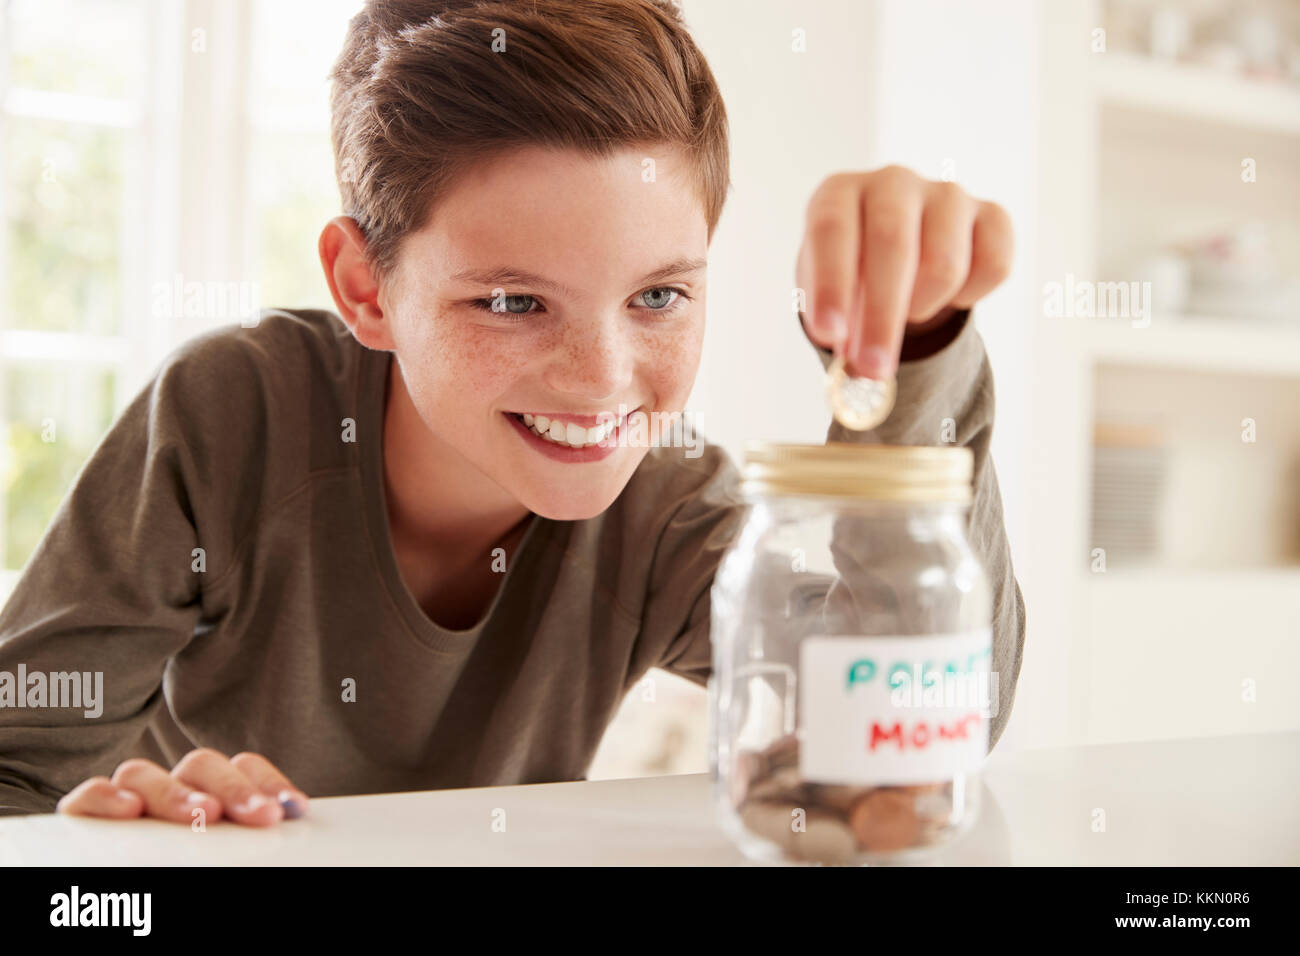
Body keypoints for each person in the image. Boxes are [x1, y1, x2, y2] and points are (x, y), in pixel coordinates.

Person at [0, 0, 1023, 825]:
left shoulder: (663, 500)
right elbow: (14, 771)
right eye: (511, 301)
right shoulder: (233, 419)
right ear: (365, 288)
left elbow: (919, 721)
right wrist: (113, 833)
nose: (601, 379)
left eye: (658, 295)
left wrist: (918, 358)